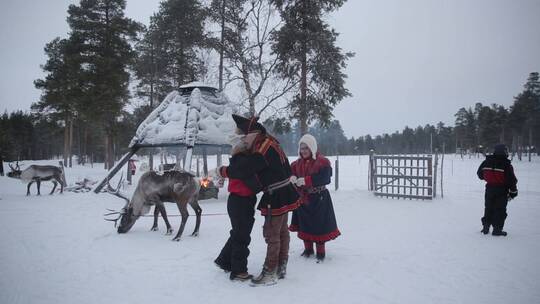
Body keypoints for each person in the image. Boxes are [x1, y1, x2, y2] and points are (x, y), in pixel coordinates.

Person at [213, 114, 300, 286]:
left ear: (252, 133)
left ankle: (270, 272)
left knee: (272, 234)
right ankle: (279, 267)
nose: (245, 140)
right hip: (283, 191)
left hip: (276, 194)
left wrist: (222, 171)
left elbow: (244, 169)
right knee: (277, 232)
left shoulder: (262, 148)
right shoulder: (271, 143)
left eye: (245, 136)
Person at [214, 132, 261, 281]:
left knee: (238, 233)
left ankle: (224, 260)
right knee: (242, 236)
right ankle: (239, 270)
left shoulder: (239, 160)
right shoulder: (242, 160)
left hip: (240, 201)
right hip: (241, 201)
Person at [289, 134, 340, 262]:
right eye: (301, 148)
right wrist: (292, 178)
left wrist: (306, 180)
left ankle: (320, 252)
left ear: (312, 147)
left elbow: (325, 178)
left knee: (319, 225)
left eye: (306, 148)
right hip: (303, 198)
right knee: (305, 224)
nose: (304, 151)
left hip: (319, 198)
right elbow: (290, 173)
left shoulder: (322, 162)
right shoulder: (296, 164)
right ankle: (308, 249)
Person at [477, 144, 518, 236]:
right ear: (504, 152)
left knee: (488, 208)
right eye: (506, 151)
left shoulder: (486, 162)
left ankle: (485, 228)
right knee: (500, 209)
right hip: (502, 190)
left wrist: (490, 178)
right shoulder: (506, 165)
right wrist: (513, 192)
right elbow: (512, 180)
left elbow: (479, 174)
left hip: (489, 188)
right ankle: (497, 230)